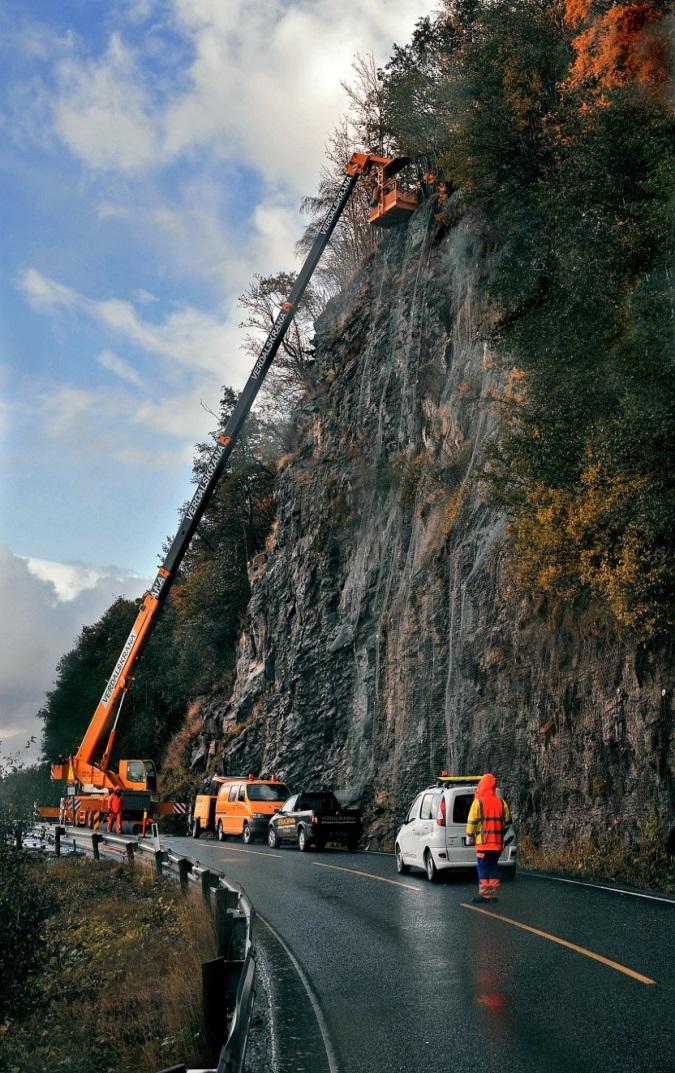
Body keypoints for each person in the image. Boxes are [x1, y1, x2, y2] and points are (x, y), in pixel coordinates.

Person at [465, 773, 511, 903]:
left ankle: (485, 896)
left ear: (482, 786)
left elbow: (472, 822)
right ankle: (494, 895)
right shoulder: (501, 803)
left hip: (483, 844)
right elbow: (507, 822)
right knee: (493, 867)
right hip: (497, 845)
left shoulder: (478, 802)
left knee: (483, 868)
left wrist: (470, 836)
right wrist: (500, 834)